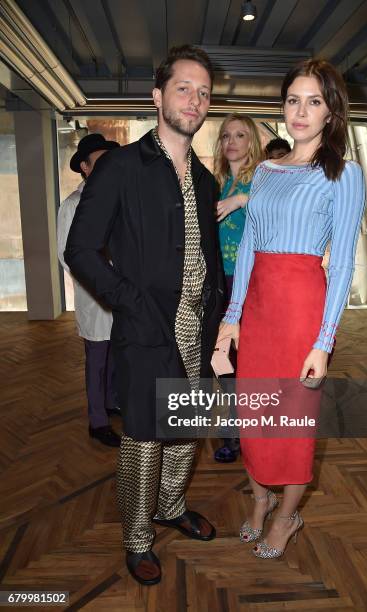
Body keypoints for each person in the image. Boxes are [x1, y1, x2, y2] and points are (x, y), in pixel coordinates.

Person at [65, 45, 224, 585]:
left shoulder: (205, 180)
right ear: (157, 96)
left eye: (204, 92)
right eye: (184, 88)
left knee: (184, 432)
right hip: (144, 327)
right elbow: (80, 250)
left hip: (198, 329)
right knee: (142, 437)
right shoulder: (121, 168)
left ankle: (171, 506)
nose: (195, 100)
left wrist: (220, 315)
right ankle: (136, 536)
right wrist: (130, 302)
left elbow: (205, 254)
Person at [218, 59, 365, 559]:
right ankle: (259, 499)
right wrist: (232, 315)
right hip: (258, 309)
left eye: (314, 101)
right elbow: (251, 252)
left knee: (294, 423)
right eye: (293, 100)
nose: (301, 112)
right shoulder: (264, 170)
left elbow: (342, 263)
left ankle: (286, 515)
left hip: (303, 310)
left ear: (331, 112)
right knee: (253, 416)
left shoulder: (344, 174)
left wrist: (324, 342)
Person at [57, 133, 121, 448]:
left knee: (114, 355)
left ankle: (111, 402)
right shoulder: (72, 205)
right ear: (84, 167)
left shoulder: (116, 199)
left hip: (120, 293)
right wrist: (101, 284)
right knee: (96, 358)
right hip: (95, 296)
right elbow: (66, 255)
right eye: (99, 161)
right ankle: (98, 421)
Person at [213, 114, 263, 463]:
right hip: (218, 282)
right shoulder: (213, 182)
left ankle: (250, 432)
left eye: (240, 135)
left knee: (248, 360)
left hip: (249, 282)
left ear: (252, 143)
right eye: (226, 135)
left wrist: (241, 200)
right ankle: (232, 432)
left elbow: (278, 210)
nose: (232, 141)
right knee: (221, 358)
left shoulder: (262, 179)